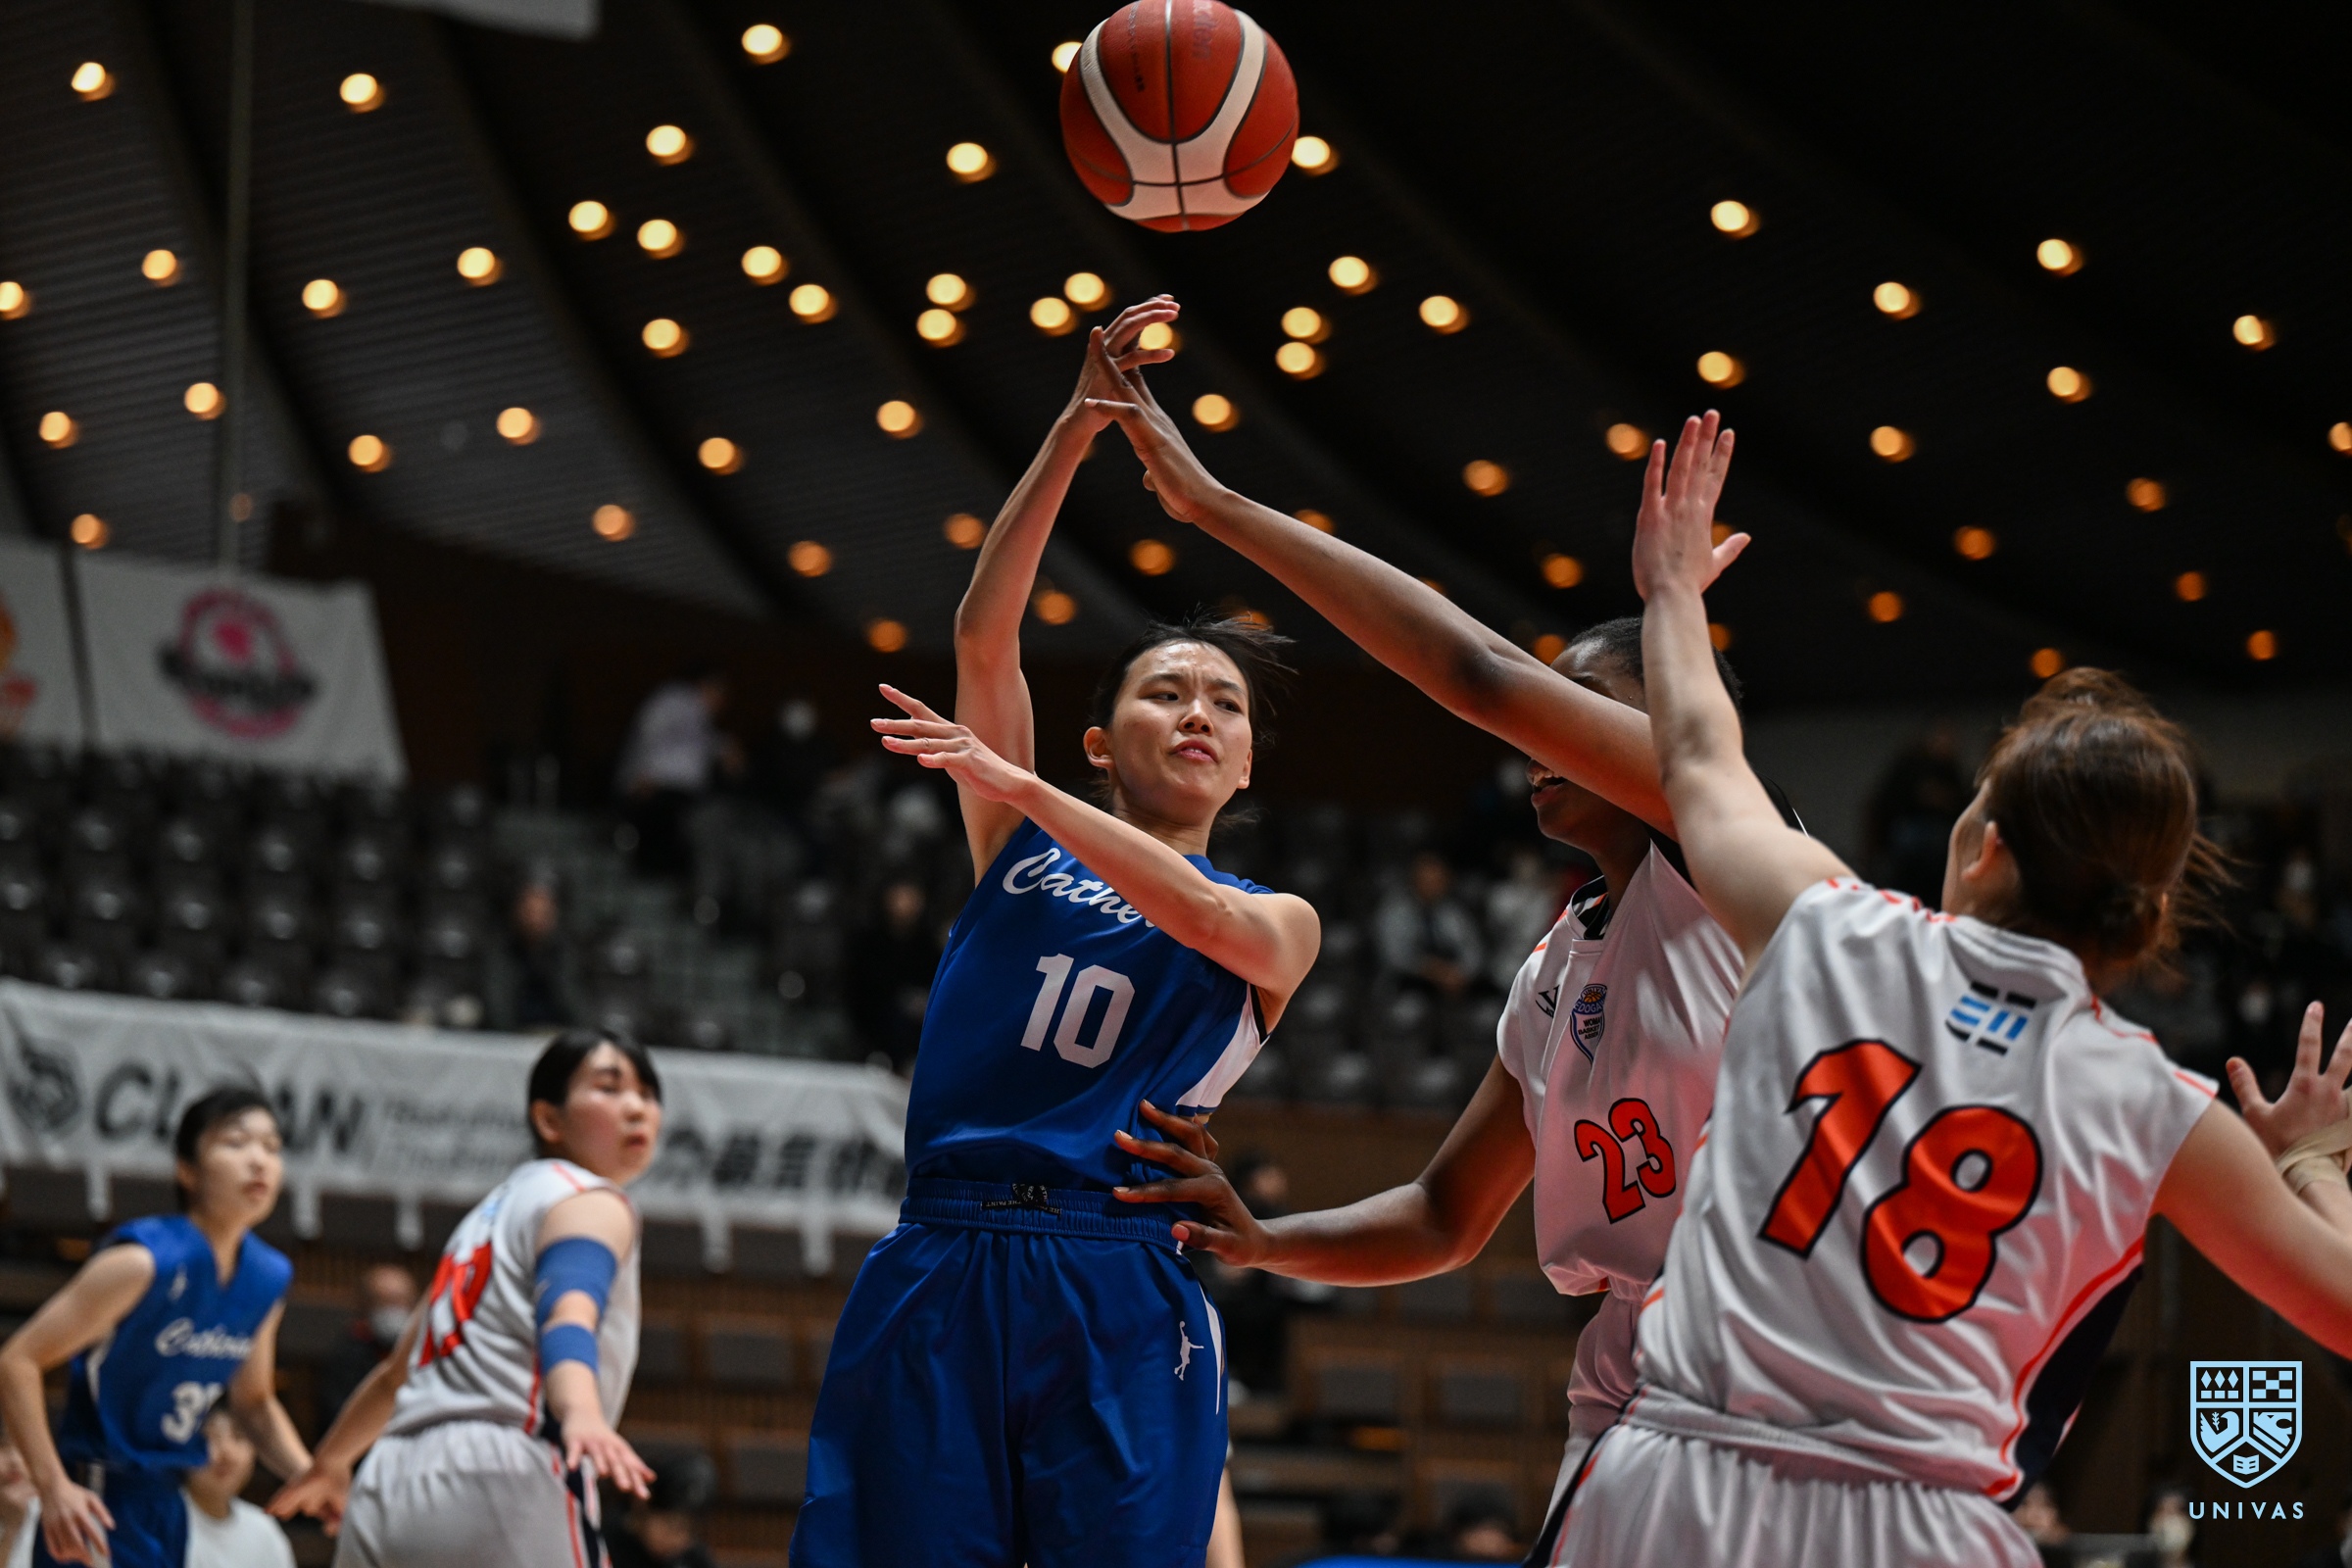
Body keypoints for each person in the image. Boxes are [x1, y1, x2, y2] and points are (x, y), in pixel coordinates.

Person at [1527, 413, 2352, 1564]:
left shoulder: (1829, 927)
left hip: (1681, 1481)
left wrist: (1671, 594)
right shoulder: (2160, 1105)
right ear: (2152, 910)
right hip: (1921, 1524)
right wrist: (2311, 1160)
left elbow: (1698, 752)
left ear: (1988, 846)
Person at [1086, 348, 1757, 1507]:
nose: (1537, 732)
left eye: (1579, 706)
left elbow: (1480, 675)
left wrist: (1217, 506)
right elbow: (1446, 1215)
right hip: (1624, 1375)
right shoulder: (1552, 967)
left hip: (1760, 1348)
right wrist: (1265, 1240)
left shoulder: (1724, 857)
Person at [791, 300, 1321, 1568]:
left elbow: (1194, 912)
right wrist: (1077, 425)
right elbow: (986, 631)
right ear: (1099, 742)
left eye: (1226, 704)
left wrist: (1024, 787)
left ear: (1248, 763)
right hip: (946, 1246)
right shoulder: (1018, 846)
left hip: (1117, 1268)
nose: (1198, 713)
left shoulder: (1275, 918)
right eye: (1165, 690)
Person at [270, 1030, 663, 1568]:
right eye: (610, 1088)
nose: (637, 1108)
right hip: (503, 1471)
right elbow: (568, 1311)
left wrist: (331, 1463)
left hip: (389, 1478)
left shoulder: (483, 1221)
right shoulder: (590, 1201)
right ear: (548, 1119)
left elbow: (397, 1373)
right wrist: (581, 1412)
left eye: (647, 1093)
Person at [0, 1088, 310, 1568]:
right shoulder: (142, 1261)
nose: (259, 1161)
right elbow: (17, 1360)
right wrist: (53, 1485)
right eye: (236, 1143)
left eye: (272, 1147)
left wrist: (313, 1474)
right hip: (99, 1493)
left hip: (168, 1501)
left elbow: (254, 1402)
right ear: (187, 1170)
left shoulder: (268, 1277)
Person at [616, 666, 740, 879]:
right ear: (706, 686)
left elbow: (702, 743)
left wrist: (726, 749)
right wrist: (643, 774)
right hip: (655, 789)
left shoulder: (699, 716)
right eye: (720, 693)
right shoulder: (676, 698)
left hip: (682, 797)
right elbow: (650, 731)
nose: (723, 703)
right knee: (659, 850)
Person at [843, 879, 939, 1073]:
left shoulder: (926, 943)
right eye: (900, 898)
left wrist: (921, 1000)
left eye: (912, 899)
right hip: (875, 1014)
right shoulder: (870, 941)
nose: (906, 905)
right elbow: (862, 984)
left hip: (918, 1016)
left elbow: (933, 978)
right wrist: (900, 998)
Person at [184, 1409, 295, 1568]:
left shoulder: (263, 1530)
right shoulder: (164, 1521)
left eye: (238, 1437)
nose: (226, 1451)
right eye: (210, 1437)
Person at [316, 1264, 419, 1430]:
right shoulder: (346, 1357)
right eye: (385, 1301)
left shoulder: (423, 1354)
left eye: (400, 1300)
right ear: (366, 1305)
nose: (394, 1309)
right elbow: (337, 1416)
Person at [1373, 851, 1485, 1001]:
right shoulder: (1394, 911)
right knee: (1410, 1008)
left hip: (1452, 984)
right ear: (1414, 880)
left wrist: (1459, 974)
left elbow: (1474, 952)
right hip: (1406, 983)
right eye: (1427, 880)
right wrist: (1433, 971)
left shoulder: (1454, 913)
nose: (1433, 885)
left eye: (1438, 880)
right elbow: (1394, 956)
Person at [602, 1449, 717, 1568]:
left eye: (690, 1530)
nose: (678, 1540)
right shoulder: (604, 1546)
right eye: (671, 1525)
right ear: (642, 1503)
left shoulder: (691, 1557)